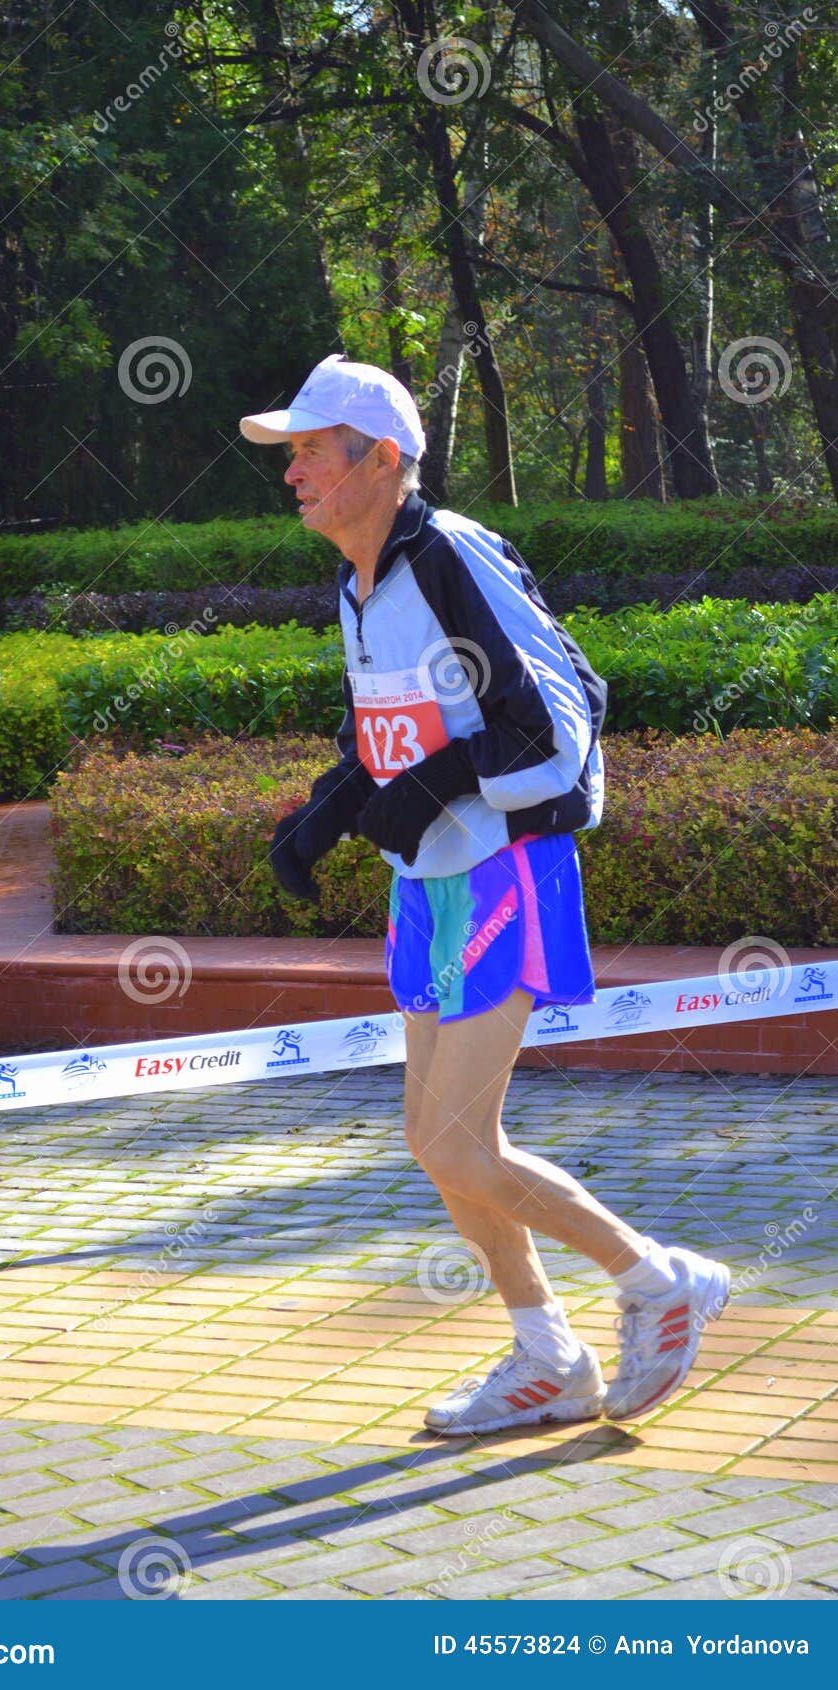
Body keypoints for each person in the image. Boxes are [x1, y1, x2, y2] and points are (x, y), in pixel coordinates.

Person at [240, 355, 730, 1430]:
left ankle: (655, 1279)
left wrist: (431, 788)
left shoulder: (450, 552)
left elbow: (557, 723)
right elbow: (392, 728)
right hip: (425, 882)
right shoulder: (357, 577)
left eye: (311, 453)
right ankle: (545, 1353)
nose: (292, 474)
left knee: (456, 1142)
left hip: (502, 869)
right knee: (433, 1140)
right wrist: (326, 812)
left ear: (384, 460)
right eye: (291, 455)